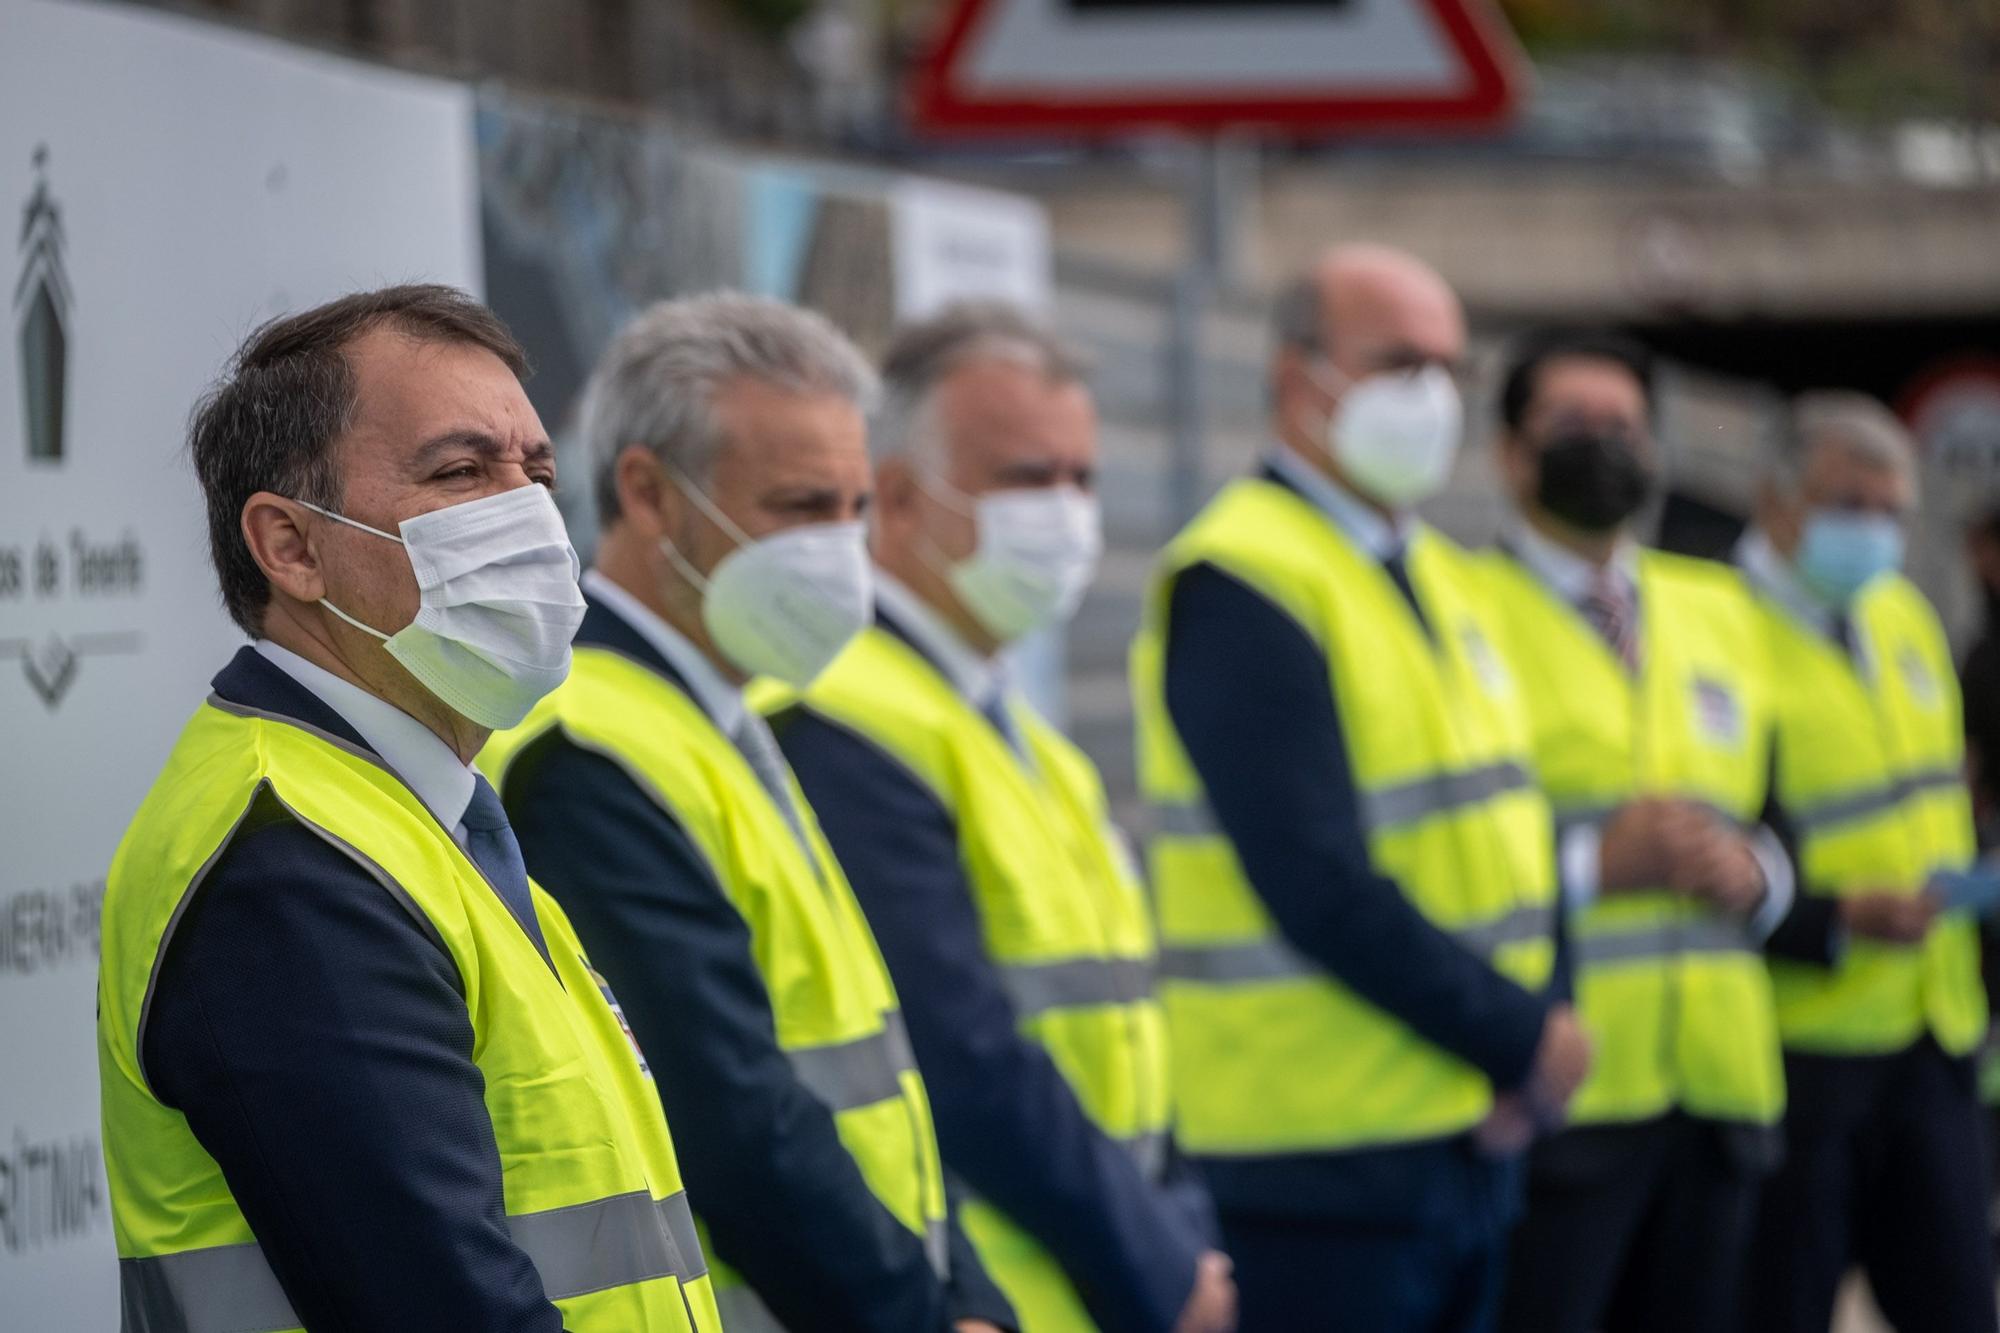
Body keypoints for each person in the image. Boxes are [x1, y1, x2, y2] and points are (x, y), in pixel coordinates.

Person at [98, 285, 720, 1332]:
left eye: (536, 472)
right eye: (461, 471)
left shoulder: (422, 816)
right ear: (292, 547)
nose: (527, 512)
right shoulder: (288, 864)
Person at [480, 293, 1012, 1333]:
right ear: (647, 493)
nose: (841, 549)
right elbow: (732, 1119)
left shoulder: (739, 713)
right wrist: (922, 1315)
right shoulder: (584, 754)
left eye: (856, 508)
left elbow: (879, 1078)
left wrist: (968, 1293)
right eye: (802, 506)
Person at [1128, 245, 1590, 1331]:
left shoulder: (1439, 573)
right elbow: (1313, 879)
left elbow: (1515, 823)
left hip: (1463, 1134)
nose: (1429, 396)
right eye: (1397, 364)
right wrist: (1520, 1040)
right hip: (1315, 1161)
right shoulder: (1239, 576)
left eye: (1445, 368)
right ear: (1297, 380)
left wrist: (1528, 1042)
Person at [768, 302, 1237, 1333]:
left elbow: (1125, 1030)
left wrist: (1183, 1234)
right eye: (1029, 478)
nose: (1067, 512)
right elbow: (965, 1055)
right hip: (1007, 1291)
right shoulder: (842, 718)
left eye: (1082, 478)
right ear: (892, 495)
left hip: (1112, 1276)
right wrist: (1156, 1264)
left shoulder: (1022, 739)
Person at [1474, 330, 1788, 1333]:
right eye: (1570, 425)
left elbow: (1776, 817)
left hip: (1715, 1094)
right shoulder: (1457, 610)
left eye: (1621, 426)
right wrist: (1587, 868)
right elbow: (1430, 844)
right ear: (1509, 453)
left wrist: (1755, 872)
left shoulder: (1715, 606)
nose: (1601, 445)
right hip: (1557, 1094)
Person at [1736, 391, 1996, 1333]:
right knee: (1787, 1303)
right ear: (1775, 499)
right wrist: (1836, 915)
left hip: (1933, 1032)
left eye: (1894, 511)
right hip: (1801, 1052)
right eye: (1853, 507)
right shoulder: (1719, 632)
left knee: (1960, 1305)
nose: (1876, 532)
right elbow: (1722, 843)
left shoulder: (1902, 614)